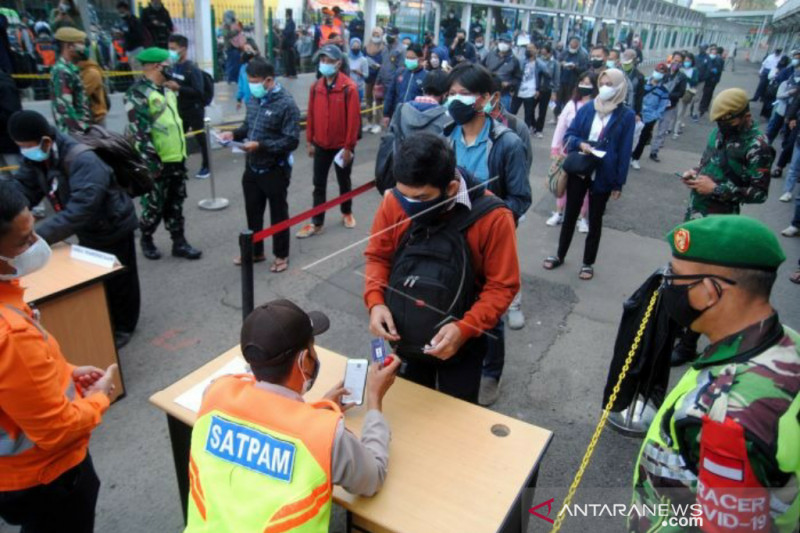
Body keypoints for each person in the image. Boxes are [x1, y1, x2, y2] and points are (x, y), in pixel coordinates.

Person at [630, 215, 800, 533]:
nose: (666, 285)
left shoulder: (728, 416)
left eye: (675, 278)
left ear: (710, 292)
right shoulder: (786, 343)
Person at [183, 299, 402, 532]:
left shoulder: (215, 393)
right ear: (304, 361)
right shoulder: (327, 436)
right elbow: (372, 477)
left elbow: (265, 422)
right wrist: (375, 402)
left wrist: (314, 411)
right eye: (313, 348)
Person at [364, 133, 519, 403]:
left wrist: (466, 328)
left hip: (462, 342)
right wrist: (375, 302)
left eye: (421, 197)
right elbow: (378, 256)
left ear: (450, 187)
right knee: (409, 408)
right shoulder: (393, 201)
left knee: (456, 414)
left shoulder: (493, 217)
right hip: (403, 335)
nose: (409, 204)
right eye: (404, 194)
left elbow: (502, 286)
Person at [0, 182, 117, 532]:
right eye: (24, 241)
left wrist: (65, 371)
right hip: (46, 475)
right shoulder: (11, 334)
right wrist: (99, 398)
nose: (37, 246)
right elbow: (56, 429)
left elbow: (17, 380)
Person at [7, 110, 141, 348]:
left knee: (121, 278)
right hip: (89, 227)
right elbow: (24, 188)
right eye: (20, 147)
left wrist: (33, 238)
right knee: (100, 275)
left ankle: (125, 326)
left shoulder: (82, 159)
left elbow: (83, 208)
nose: (25, 152)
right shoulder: (38, 157)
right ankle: (109, 316)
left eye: (27, 146)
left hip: (113, 224)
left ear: (46, 140)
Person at [444, 63, 531, 405]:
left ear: (485, 99)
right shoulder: (446, 135)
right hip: (451, 236)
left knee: (490, 308)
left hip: (490, 239)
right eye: (451, 94)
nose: (455, 101)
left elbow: (521, 199)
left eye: (463, 94)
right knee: (454, 300)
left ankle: (491, 373)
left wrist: (489, 218)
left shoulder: (506, 143)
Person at [671, 88, 774, 366]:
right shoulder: (718, 133)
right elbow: (709, 163)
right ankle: (680, 324)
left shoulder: (758, 145)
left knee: (705, 280)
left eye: (727, 121)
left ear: (743, 115)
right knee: (683, 272)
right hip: (695, 215)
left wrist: (717, 189)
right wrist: (696, 174)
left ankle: (689, 343)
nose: (721, 127)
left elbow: (758, 192)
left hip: (722, 222)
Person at [543, 69, 635, 281]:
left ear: (620, 87)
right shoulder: (588, 108)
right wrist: (580, 144)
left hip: (604, 174)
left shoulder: (626, 115)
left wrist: (619, 183)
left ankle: (588, 263)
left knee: (595, 220)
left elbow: (625, 150)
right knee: (570, 214)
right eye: (602, 83)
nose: (604, 87)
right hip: (580, 169)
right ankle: (559, 254)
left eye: (610, 83)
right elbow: (571, 134)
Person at [220, 58, 299, 272]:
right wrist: (234, 134)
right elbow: (248, 125)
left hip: (275, 169)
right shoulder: (254, 99)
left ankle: (281, 255)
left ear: (269, 80)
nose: (251, 86)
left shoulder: (286, 104)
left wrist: (261, 145)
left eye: (254, 81)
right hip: (252, 168)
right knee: (252, 212)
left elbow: (291, 140)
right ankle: (255, 251)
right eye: (249, 81)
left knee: (278, 214)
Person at [125, 47, 202, 261]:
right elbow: (140, 133)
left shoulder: (168, 90)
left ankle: (179, 242)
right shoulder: (137, 92)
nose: (170, 68)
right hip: (156, 162)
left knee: (175, 202)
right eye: (167, 64)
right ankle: (147, 238)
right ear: (156, 66)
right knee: (154, 205)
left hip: (176, 158)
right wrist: (152, 164)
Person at [297, 45, 361, 239]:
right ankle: (317, 221)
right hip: (321, 145)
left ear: (338, 63)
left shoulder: (349, 88)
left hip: (342, 147)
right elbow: (311, 116)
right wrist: (309, 141)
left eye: (328, 61)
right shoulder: (316, 88)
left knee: (344, 182)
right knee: (319, 184)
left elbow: (353, 121)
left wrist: (349, 147)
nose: (324, 64)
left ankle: (347, 212)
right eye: (322, 61)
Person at [547, 72, 597, 230]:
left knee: (585, 185)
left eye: (588, 83)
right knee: (562, 181)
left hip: (587, 153)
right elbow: (561, 127)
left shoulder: (598, 106)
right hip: (568, 151)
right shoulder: (571, 105)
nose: (584, 86)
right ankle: (559, 213)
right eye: (582, 82)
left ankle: (582, 218)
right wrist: (555, 148)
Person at [167, 34, 210, 180]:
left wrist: (178, 88)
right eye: (169, 48)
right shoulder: (174, 67)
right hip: (179, 109)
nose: (170, 52)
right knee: (179, 137)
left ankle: (206, 166)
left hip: (194, 108)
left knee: (200, 137)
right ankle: (180, 166)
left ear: (183, 49)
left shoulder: (191, 69)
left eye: (173, 49)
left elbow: (199, 91)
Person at [50, 27, 91, 134]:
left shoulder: (70, 69)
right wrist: (80, 134)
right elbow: (65, 110)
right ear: (69, 46)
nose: (84, 47)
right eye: (81, 43)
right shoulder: (62, 72)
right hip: (74, 134)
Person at [630, 63, 670, 171]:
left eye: (662, 72)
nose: (658, 74)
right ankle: (628, 155)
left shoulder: (664, 90)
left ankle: (635, 158)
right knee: (630, 136)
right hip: (636, 114)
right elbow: (635, 96)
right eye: (658, 71)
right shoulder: (643, 82)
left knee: (642, 139)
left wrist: (653, 117)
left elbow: (662, 107)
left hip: (649, 118)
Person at [649, 51, 687, 162]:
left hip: (669, 106)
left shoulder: (682, 77)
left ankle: (654, 151)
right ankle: (645, 142)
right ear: (671, 59)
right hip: (656, 104)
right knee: (648, 126)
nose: (676, 63)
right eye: (675, 60)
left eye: (679, 62)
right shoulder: (663, 71)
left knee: (662, 129)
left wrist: (667, 94)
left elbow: (681, 93)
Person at [382, 43, 428, 126]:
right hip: (397, 116)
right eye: (407, 58)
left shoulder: (426, 77)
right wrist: (386, 114)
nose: (409, 60)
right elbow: (390, 94)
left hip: (414, 119)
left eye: (412, 58)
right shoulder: (400, 72)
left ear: (421, 59)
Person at [481, 33, 521, 111]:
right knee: (484, 116)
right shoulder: (489, 55)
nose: (503, 44)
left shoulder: (514, 60)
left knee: (502, 118)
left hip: (503, 94)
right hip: (487, 93)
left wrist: (509, 83)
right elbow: (480, 69)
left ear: (510, 44)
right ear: (498, 42)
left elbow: (518, 79)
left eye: (506, 42)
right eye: (501, 41)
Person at [556, 36, 589, 117]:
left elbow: (585, 69)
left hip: (573, 81)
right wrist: (561, 64)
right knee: (558, 99)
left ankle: (565, 115)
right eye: (571, 42)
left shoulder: (583, 55)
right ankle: (556, 115)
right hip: (561, 79)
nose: (572, 44)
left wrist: (575, 67)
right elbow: (558, 61)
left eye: (574, 43)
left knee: (568, 100)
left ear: (578, 44)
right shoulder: (565, 52)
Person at [76, 48, 108, 127]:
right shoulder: (83, 70)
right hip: (88, 117)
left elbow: (82, 94)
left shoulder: (91, 73)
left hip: (95, 117)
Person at [362, 26, 385, 134]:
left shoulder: (384, 48)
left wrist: (379, 66)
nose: (376, 37)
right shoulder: (366, 47)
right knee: (368, 100)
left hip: (379, 78)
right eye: (374, 35)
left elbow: (385, 63)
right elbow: (362, 59)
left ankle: (378, 123)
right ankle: (369, 121)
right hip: (368, 76)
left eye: (378, 35)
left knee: (379, 100)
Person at [0, 66, 21, 175]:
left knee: (18, 176)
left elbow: (12, 114)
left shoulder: (4, 84)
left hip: (9, 141)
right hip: (6, 141)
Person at [674, 52, 699, 138]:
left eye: (688, 60)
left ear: (692, 61)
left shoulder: (694, 70)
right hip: (677, 92)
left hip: (687, 92)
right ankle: (672, 127)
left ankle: (676, 130)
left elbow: (695, 82)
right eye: (685, 60)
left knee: (681, 111)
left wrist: (686, 77)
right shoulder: (679, 68)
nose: (686, 62)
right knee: (675, 111)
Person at [697, 44, 724, 118]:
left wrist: (713, 71)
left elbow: (719, 70)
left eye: (714, 52)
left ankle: (703, 107)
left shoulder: (719, 60)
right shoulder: (707, 58)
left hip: (712, 80)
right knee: (703, 93)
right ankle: (702, 106)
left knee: (708, 94)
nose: (712, 54)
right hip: (706, 78)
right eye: (711, 52)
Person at [116, 1, 144, 69]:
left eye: (122, 12)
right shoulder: (123, 22)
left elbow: (139, 36)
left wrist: (124, 34)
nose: (121, 14)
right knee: (133, 71)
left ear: (127, 10)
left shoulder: (134, 21)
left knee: (138, 71)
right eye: (120, 12)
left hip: (137, 49)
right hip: (128, 51)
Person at [235, 42, 259, 110]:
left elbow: (241, 86)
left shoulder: (243, 69)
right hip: (252, 99)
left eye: (248, 49)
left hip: (254, 99)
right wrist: (239, 99)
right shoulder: (244, 68)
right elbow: (241, 85)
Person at [222, 11, 243, 84]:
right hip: (230, 47)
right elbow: (226, 35)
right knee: (232, 64)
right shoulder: (225, 26)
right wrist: (236, 31)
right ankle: (230, 79)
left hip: (235, 47)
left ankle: (235, 78)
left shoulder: (233, 25)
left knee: (236, 64)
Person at [348, 37, 369, 102]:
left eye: (358, 46)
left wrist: (359, 72)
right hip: (348, 86)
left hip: (358, 87)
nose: (356, 48)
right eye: (354, 46)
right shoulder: (347, 58)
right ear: (351, 46)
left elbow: (366, 75)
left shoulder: (363, 60)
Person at [280, 9, 297, 79]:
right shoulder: (288, 22)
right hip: (286, 44)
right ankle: (287, 72)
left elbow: (289, 32)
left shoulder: (291, 22)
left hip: (289, 44)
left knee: (290, 59)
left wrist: (283, 32)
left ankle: (292, 73)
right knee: (286, 59)